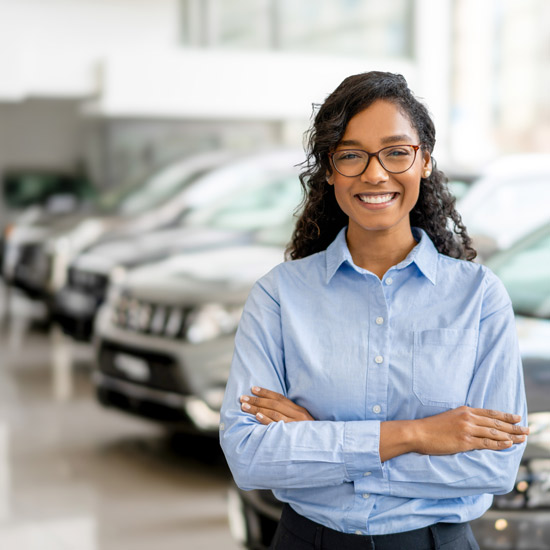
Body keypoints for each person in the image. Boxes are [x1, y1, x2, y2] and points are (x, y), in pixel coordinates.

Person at [219, 71, 528, 550]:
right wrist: (418, 434)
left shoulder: (479, 297)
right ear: (329, 168)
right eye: (351, 155)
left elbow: (492, 465)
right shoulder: (279, 297)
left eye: (396, 151)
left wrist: (320, 442)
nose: (375, 173)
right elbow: (249, 456)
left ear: (424, 161)